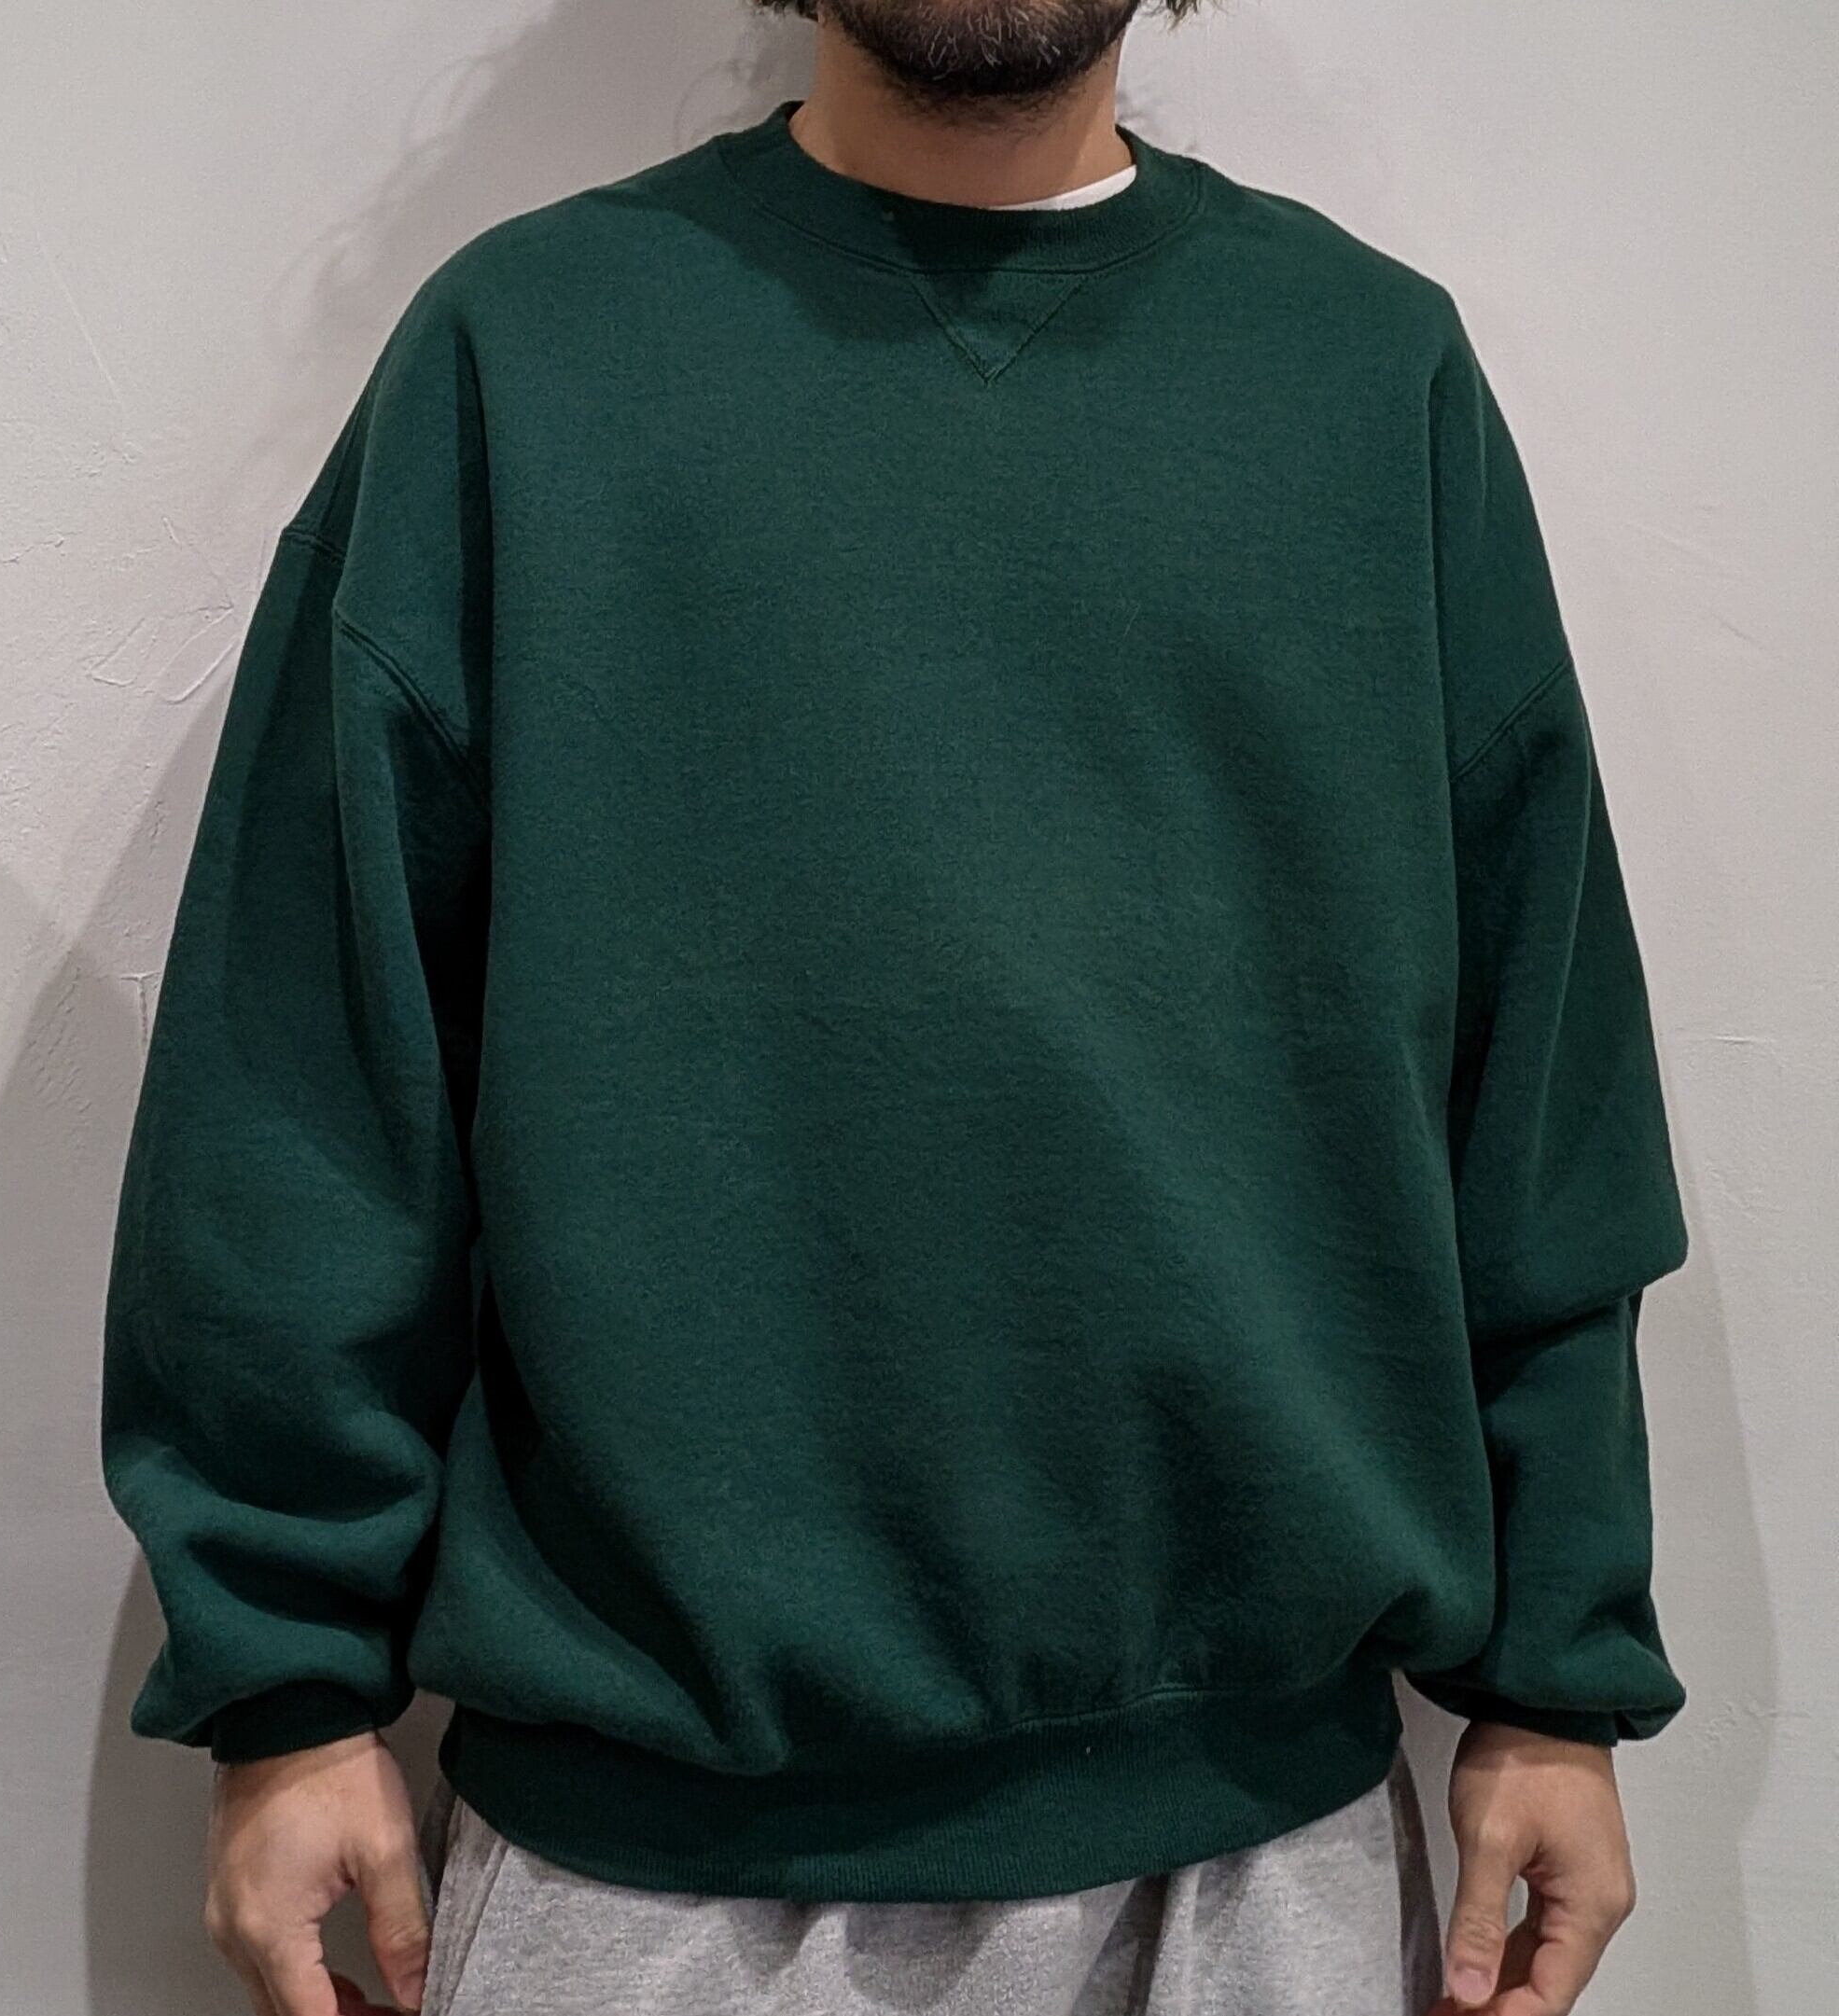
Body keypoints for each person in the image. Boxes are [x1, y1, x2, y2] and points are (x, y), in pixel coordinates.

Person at [98, 4, 1693, 2013]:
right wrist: (287, 1683)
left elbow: (1540, 1081)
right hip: (648, 1866)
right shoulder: (529, 355)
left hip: (1263, 1858)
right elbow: (307, 1063)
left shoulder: (1372, 376)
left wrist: (1554, 1685)